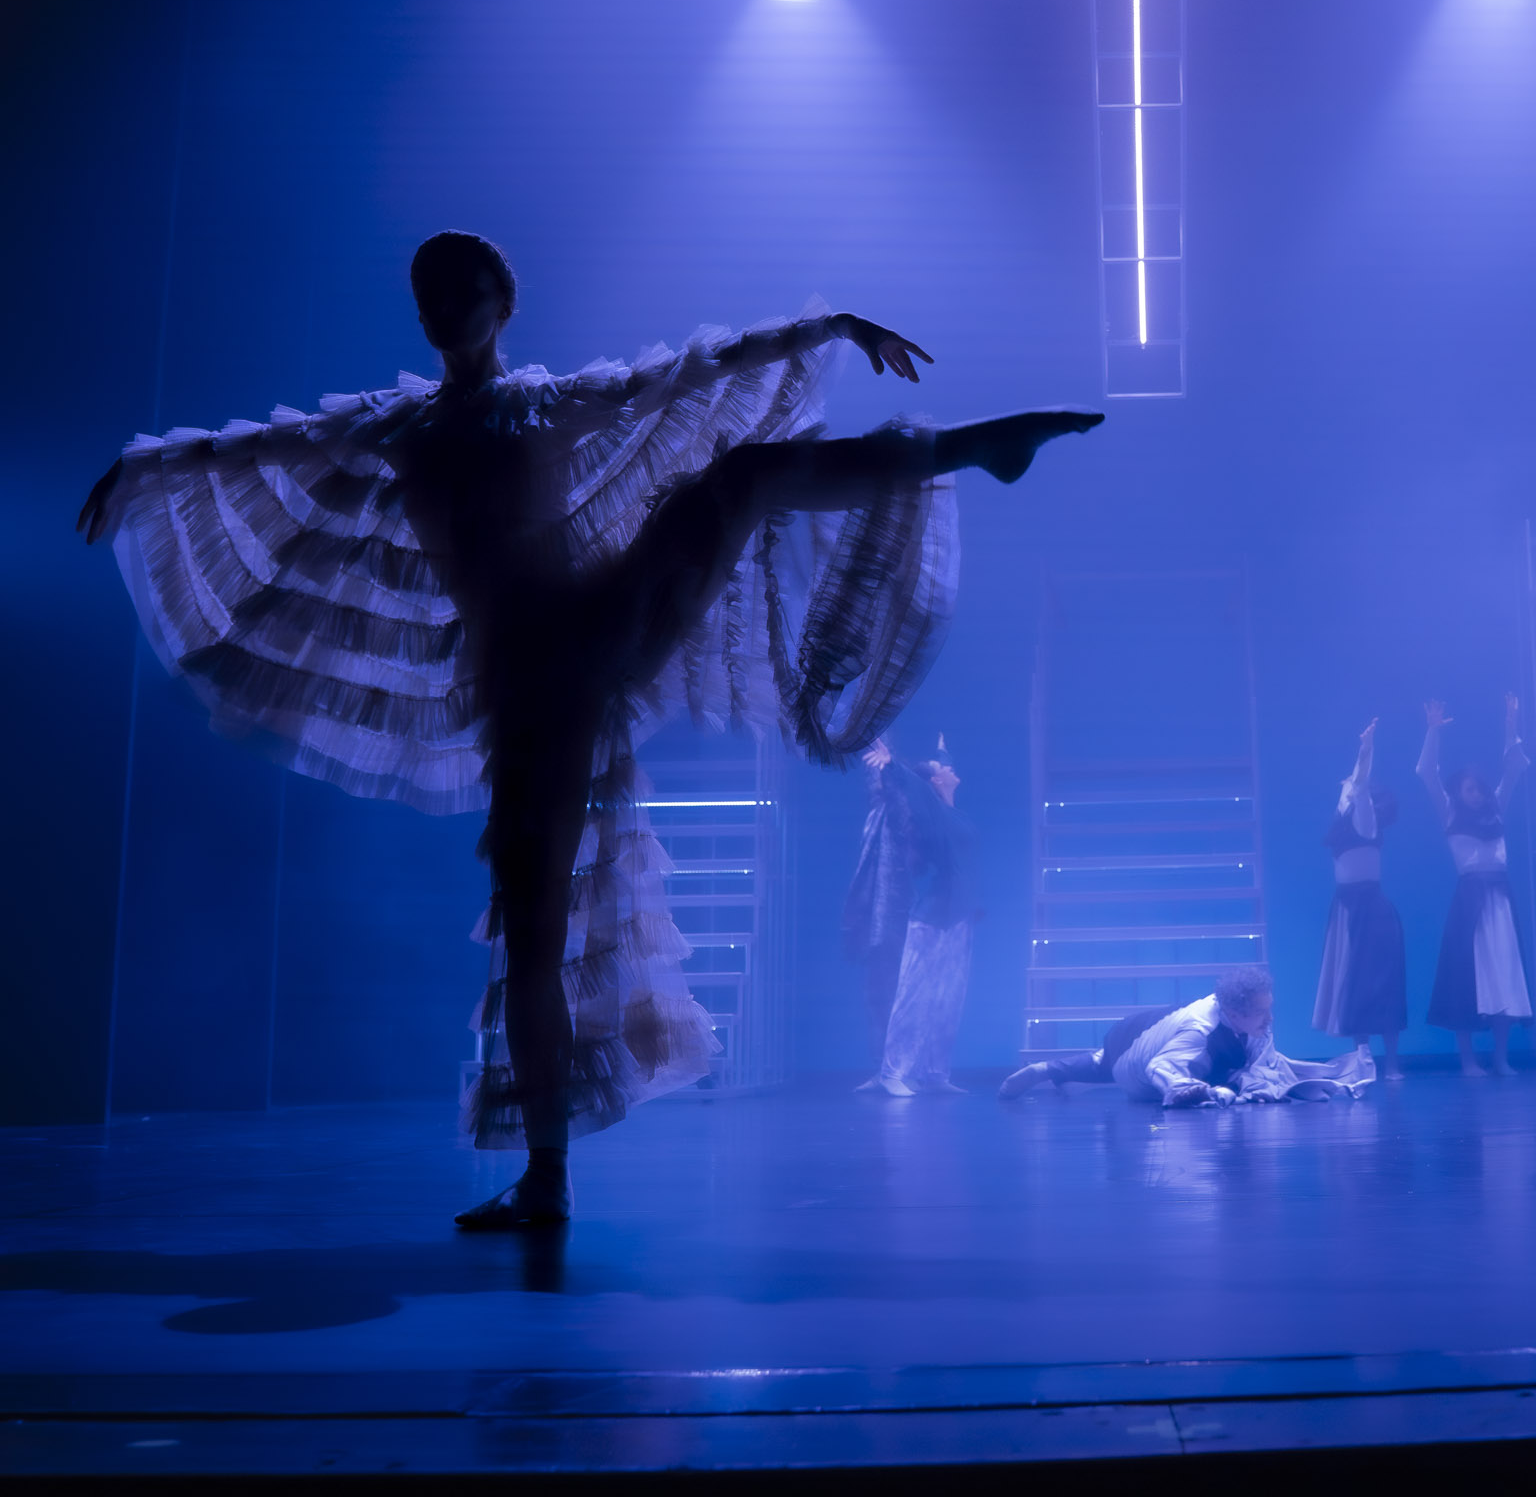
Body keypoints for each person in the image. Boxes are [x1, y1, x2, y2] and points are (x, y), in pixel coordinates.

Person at [80, 231, 1103, 1226]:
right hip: (528, 689)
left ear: (501, 304)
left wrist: (828, 326)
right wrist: (144, 467)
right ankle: (547, 1177)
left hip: (598, 620)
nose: (444, 308)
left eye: (463, 290)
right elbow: (265, 446)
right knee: (531, 935)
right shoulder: (397, 426)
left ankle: (977, 445)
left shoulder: (546, 406)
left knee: (739, 478)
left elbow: (685, 376)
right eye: (429, 294)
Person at [997, 965, 1374, 1107]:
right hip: (1130, 1040)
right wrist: (1182, 1088)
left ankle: (1055, 1072)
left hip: (1163, 1025)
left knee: (1227, 1068)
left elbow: (1266, 1062)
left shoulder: (1250, 1022)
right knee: (1105, 1064)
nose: (1269, 1018)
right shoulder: (1200, 1029)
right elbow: (1160, 1068)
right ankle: (1046, 1069)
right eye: (1261, 1012)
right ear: (1235, 1012)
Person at [843, 735, 975, 1095]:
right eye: (943, 767)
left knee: (948, 999)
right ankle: (892, 1072)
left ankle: (935, 1072)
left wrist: (943, 750)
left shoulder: (952, 811)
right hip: (930, 915)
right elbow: (912, 785)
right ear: (936, 780)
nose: (949, 767)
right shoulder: (931, 810)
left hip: (959, 916)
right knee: (910, 996)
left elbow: (936, 773)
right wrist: (890, 765)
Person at [1418, 695, 1532, 1075]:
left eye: (1479, 789)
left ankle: (1500, 1057)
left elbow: (1512, 768)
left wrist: (1511, 724)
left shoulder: (1496, 808)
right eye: (1470, 789)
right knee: (1465, 978)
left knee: (1505, 978)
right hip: (1469, 902)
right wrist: (1433, 731)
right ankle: (1468, 1060)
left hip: (1499, 901)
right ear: (1459, 792)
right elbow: (1427, 773)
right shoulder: (1450, 812)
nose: (1477, 794)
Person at [1311, 718, 1407, 1078]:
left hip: (1370, 910)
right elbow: (1353, 785)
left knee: (1382, 983)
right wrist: (1358, 761)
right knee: (1352, 986)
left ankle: (1391, 1062)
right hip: (1346, 909)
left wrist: (1366, 749)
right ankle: (1362, 1061)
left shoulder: (1365, 821)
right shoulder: (1343, 818)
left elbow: (1360, 785)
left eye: (1349, 786)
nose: (1346, 787)